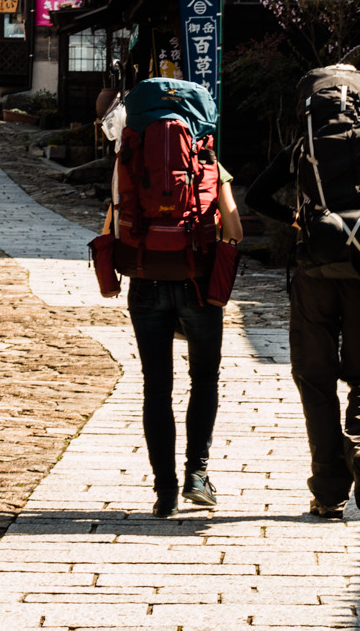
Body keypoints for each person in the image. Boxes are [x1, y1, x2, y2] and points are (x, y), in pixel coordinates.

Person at [244, 93, 360, 520]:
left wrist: (297, 219)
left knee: (316, 381)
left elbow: (256, 195)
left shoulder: (306, 145)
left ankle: (329, 494)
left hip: (316, 277)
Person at [100, 89, 244, 519]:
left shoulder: (127, 159)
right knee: (204, 378)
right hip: (197, 284)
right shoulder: (210, 164)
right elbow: (233, 228)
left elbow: (114, 216)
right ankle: (197, 474)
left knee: (156, 387)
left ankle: (165, 492)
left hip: (145, 284)